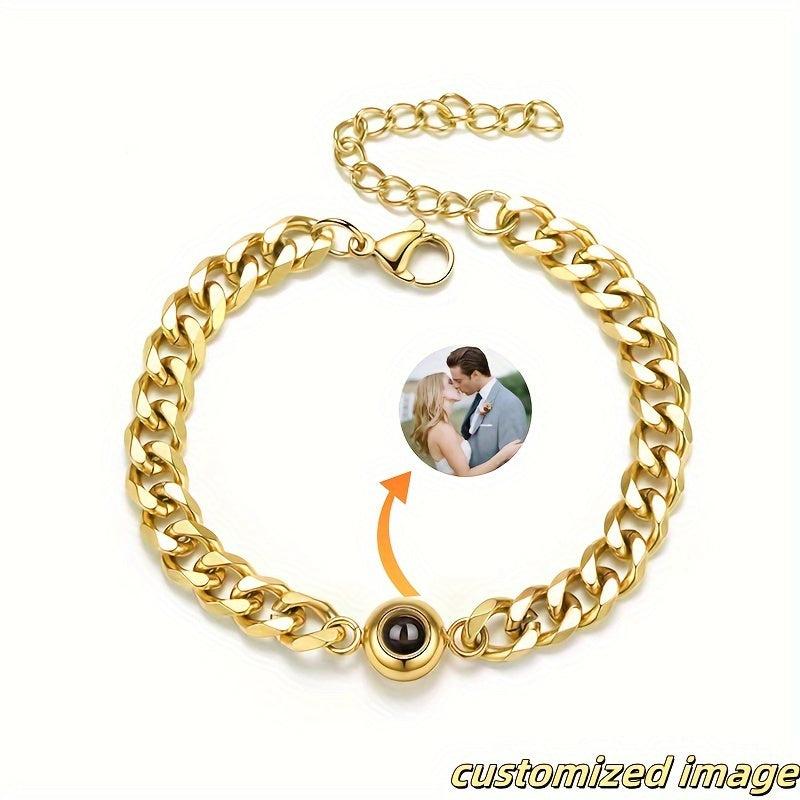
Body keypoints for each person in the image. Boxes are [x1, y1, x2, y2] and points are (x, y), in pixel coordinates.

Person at [410, 372, 522, 476]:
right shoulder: (442, 430)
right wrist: (504, 455)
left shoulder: (443, 425)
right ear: (438, 391)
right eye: (450, 382)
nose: (456, 385)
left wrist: (480, 413)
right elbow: (465, 475)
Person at [446, 346, 528, 469]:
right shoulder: (479, 397)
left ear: (475, 374)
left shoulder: (509, 404)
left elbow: (512, 460)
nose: (456, 386)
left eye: (458, 380)